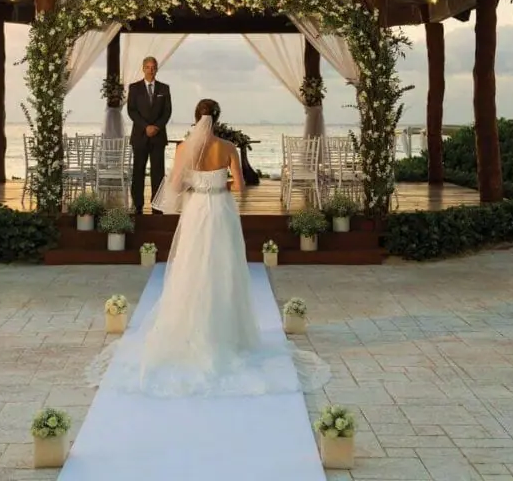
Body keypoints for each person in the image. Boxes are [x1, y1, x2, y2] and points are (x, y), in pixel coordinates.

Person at [86, 99, 330, 398]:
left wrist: (197, 184)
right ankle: (226, 333)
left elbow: (175, 185)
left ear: (195, 117)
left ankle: (189, 329)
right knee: (224, 266)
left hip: (196, 210)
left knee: (192, 265)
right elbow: (240, 186)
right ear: (217, 118)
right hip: (222, 211)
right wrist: (218, 185)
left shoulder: (183, 147)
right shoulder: (228, 147)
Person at [126, 56, 171, 216]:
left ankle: (157, 206)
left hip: (158, 136)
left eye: (153, 67)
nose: (151, 70)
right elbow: (131, 110)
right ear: (143, 68)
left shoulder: (164, 89)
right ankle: (137, 205)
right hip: (140, 135)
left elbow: (167, 112)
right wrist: (146, 127)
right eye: (148, 67)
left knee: (158, 173)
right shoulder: (134, 88)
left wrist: (157, 127)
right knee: (138, 171)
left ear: (157, 69)